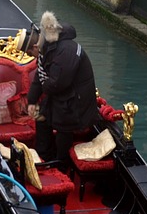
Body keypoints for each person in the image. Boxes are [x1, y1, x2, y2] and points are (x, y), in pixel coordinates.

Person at [26, 11, 98, 162]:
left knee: (62, 127)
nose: (30, 56)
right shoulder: (48, 49)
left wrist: (46, 85)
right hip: (64, 96)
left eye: (28, 52)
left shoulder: (65, 51)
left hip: (77, 102)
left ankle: (61, 164)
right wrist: (31, 101)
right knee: (41, 117)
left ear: (34, 46)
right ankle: (44, 157)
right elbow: (41, 77)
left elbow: (58, 83)